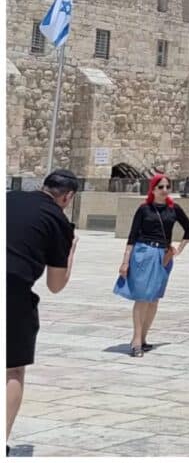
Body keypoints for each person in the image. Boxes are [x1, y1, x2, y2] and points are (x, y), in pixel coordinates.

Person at [7, 170, 79, 452]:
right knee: (12, 369)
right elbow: (56, 284)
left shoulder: (9, 198)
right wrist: (70, 251)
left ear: (42, 186)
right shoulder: (58, 221)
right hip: (12, 291)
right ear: (68, 196)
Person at [115, 174, 189, 357]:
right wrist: (125, 261)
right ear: (153, 189)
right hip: (144, 253)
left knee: (154, 298)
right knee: (142, 297)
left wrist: (178, 249)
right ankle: (135, 340)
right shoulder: (144, 209)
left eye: (167, 187)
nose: (164, 190)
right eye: (161, 187)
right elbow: (132, 236)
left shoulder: (174, 209)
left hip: (163, 256)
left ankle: (143, 338)